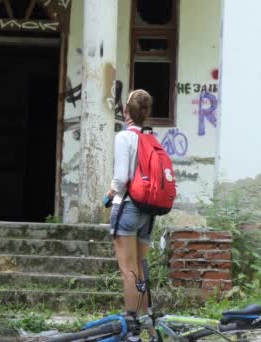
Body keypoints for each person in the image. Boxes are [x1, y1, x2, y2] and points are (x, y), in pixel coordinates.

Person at [105, 89, 153, 342]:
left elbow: (122, 177)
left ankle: (132, 329)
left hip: (128, 206)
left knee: (128, 270)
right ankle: (149, 323)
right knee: (141, 270)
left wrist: (110, 192)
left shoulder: (124, 137)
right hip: (149, 209)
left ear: (126, 113)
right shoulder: (150, 136)